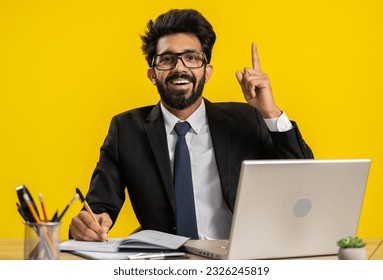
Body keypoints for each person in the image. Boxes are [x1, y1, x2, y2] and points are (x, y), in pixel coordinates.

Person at [69, 9, 313, 241]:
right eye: (166, 59)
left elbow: (305, 180)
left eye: (191, 58)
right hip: (163, 265)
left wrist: (270, 112)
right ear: (153, 74)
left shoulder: (247, 120)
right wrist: (88, 225)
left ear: (207, 72)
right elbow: (98, 209)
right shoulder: (126, 130)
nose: (179, 68)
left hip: (236, 259)